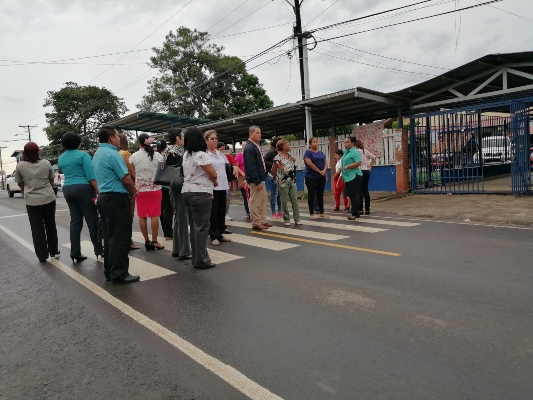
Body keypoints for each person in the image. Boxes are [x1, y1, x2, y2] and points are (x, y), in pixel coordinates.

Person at [92, 127, 139, 284]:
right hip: (116, 198)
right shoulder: (113, 154)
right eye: (117, 136)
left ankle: (110, 271)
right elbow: (125, 179)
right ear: (111, 138)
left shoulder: (98, 154)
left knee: (110, 236)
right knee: (120, 237)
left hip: (104, 197)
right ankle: (120, 273)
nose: (119, 139)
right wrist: (133, 191)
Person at [58, 132, 104, 262]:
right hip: (83, 188)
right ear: (78, 143)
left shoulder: (61, 158)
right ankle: (99, 249)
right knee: (92, 220)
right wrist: (98, 191)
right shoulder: (83, 155)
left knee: (75, 221)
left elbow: (63, 171)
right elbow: (90, 175)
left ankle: (75, 252)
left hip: (67, 189)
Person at [14, 142, 59, 263]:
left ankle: (42, 255)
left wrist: (30, 188)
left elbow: (20, 184)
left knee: (36, 227)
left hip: (32, 200)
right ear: (37, 151)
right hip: (48, 198)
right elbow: (51, 179)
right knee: (50, 224)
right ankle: (53, 250)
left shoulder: (20, 166)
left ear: (25, 152)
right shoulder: (46, 163)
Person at [182, 126, 218, 269]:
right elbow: (213, 173)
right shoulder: (201, 155)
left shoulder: (186, 155)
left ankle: (196, 258)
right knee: (202, 228)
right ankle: (202, 260)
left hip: (187, 192)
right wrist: (214, 182)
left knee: (194, 227)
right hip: (200, 193)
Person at [129, 133, 165, 251]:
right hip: (155, 189)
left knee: (142, 215)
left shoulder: (134, 156)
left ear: (139, 143)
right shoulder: (158, 155)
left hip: (140, 189)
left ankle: (146, 241)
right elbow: (162, 172)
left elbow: (133, 174)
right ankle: (155, 241)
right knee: (155, 215)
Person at [165, 128, 191, 260]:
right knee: (182, 218)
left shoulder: (170, 151)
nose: (185, 138)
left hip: (174, 187)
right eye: (183, 136)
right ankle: (184, 250)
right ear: (177, 138)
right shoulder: (175, 152)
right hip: (179, 187)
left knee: (178, 218)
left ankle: (177, 248)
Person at [205, 130, 232, 246]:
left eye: (216, 138)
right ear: (206, 141)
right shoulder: (205, 154)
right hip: (212, 187)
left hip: (223, 185)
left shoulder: (220, 153)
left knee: (221, 211)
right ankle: (213, 235)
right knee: (213, 212)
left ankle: (220, 233)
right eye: (212, 139)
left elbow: (227, 164)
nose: (215, 140)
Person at [243, 125, 272, 230]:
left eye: (260, 132)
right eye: (257, 133)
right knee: (256, 201)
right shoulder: (249, 147)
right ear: (251, 134)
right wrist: (257, 181)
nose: (259, 134)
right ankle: (256, 222)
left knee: (263, 200)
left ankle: (262, 220)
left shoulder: (255, 146)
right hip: (256, 180)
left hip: (261, 178)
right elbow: (251, 166)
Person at [117, 132, 140, 250]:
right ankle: (128, 241)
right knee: (128, 216)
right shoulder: (125, 154)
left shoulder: (115, 154)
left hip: (116, 189)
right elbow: (131, 173)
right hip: (127, 189)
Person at [272, 139, 301, 226]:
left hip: (292, 181)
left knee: (294, 200)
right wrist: (278, 178)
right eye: (288, 144)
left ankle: (297, 218)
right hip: (283, 183)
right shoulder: (277, 158)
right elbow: (273, 171)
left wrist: (293, 161)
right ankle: (286, 218)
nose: (289, 146)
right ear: (283, 147)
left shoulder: (289, 156)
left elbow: (291, 168)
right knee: (284, 201)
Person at [303, 137, 329, 220]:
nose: (316, 143)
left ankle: (322, 212)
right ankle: (311, 212)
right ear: (310, 144)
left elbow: (325, 162)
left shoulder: (321, 153)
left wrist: (324, 171)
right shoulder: (308, 153)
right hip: (311, 177)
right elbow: (309, 163)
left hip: (321, 177)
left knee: (320, 194)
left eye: (316, 142)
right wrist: (319, 171)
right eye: (314, 142)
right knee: (311, 194)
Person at [342, 136, 363, 221]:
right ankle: (354, 212)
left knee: (354, 195)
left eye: (347, 142)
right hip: (347, 177)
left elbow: (358, 163)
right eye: (344, 142)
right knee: (351, 195)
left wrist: (348, 166)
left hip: (354, 175)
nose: (345, 144)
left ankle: (355, 213)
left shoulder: (355, 152)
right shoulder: (346, 152)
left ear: (352, 143)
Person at [156, 138, 173, 239]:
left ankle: (165, 230)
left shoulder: (155, 155)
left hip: (158, 186)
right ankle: (168, 232)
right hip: (167, 185)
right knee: (168, 209)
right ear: (166, 145)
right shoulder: (166, 155)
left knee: (162, 209)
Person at [355, 139, 376, 215]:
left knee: (359, 191)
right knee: (365, 191)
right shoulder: (365, 151)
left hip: (359, 171)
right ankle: (367, 209)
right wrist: (370, 167)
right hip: (366, 171)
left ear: (355, 145)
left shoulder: (355, 152)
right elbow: (374, 157)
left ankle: (360, 209)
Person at [263, 137, 282, 219]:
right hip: (272, 175)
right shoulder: (271, 152)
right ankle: (274, 212)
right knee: (274, 194)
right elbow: (264, 161)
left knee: (279, 195)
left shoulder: (281, 152)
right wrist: (274, 165)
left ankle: (280, 211)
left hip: (280, 176)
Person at [217, 141, 234, 223]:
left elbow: (233, 163)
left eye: (224, 149)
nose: (222, 151)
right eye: (221, 149)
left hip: (226, 180)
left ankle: (226, 213)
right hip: (218, 182)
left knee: (226, 198)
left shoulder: (225, 156)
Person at [233, 140, 250, 219]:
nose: (244, 146)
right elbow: (236, 166)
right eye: (242, 145)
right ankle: (248, 212)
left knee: (252, 196)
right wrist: (242, 173)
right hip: (242, 178)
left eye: (245, 145)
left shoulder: (250, 155)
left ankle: (254, 212)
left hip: (250, 177)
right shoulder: (239, 155)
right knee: (245, 196)